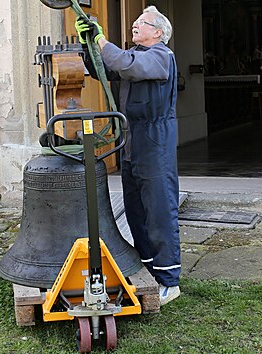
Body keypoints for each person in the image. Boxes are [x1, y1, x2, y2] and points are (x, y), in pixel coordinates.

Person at [75, 6, 181, 305]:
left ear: (158, 32)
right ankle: (147, 268)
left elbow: (124, 62)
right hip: (133, 141)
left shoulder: (161, 56)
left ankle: (169, 280)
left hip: (154, 142)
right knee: (136, 210)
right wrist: (88, 43)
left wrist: (101, 40)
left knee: (159, 211)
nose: (134, 24)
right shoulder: (132, 56)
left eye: (142, 22)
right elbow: (103, 67)